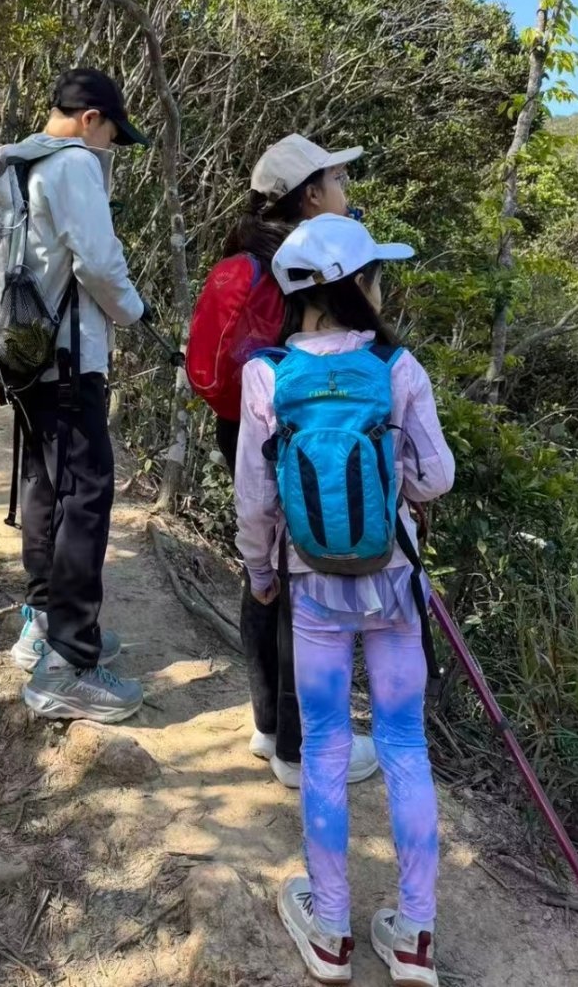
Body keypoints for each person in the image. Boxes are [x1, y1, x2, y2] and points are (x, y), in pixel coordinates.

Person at [235, 213, 454, 986]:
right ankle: (415, 936)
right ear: (357, 284)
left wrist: (260, 573)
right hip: (392, 579)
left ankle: (330, 931)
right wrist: (395, 484)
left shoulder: (267, 375)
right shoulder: (396, 367)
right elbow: (436, 476)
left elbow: (256, 498)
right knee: (403, 743)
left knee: (326, 745)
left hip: (312, 588)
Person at [199, 134, 379, 788]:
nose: (345, 191)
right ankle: (303, 751)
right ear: (310, 196)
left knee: (267, 569)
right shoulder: (304, 262)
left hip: (242, 421)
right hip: (301, 431)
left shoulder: (247, 251)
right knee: (303, 573)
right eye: (337, 180)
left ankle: (271, 726)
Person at [2, 68, 149, 724]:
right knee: (86, 494)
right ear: (91, 119)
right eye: (113, 133)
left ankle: (44, 626)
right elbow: (98, 261)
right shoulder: (74, 164)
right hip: (68, 356)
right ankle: (69, 663)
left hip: (23, 352)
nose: (111, 146)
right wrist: (134, 312)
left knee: (46, 484)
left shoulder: (16, 160)